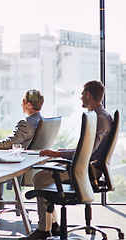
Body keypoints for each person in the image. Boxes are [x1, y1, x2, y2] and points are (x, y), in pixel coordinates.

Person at [19, 80, 113, 240]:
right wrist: (61, 152)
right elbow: (86, 149)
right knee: (45, 172)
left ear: (88, 95)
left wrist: (58, 155)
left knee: (40, 178)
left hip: (87, 170)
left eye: (83, 94)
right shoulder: (100, 115)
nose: (80, 97)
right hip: (85, 166)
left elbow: (87, 151)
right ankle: (53, 225)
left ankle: (44, 230)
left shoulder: (99, 118)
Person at [0, 89, 45, 212]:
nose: (21, 104)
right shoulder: (41, 120)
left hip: (20, 165)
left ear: (29, 105)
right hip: (32, 163)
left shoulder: (25, 123)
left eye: (23, 102)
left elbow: (8, 143)